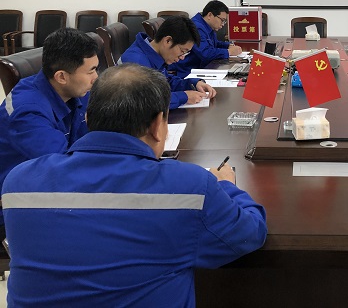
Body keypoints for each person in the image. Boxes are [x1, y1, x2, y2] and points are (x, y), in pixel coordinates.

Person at [2, 64, 268, 306]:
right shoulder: (190, 188)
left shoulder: (18, 182)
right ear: (157, 125)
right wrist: (226, 186)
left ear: (88, 118)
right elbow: (249, 234)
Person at [0, 28, 99, 234]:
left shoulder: (74, 91)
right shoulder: (27, 111)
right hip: (16, 205)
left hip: (52, 187)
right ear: (61, 76)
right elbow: (64, 168)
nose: (96, 78)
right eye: (90, 71)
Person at [119, 16, 216, 109]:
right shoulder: (135, 62)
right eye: (182, 51)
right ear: (168, 41)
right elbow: (148, 102)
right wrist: (184, 97)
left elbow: (165, 83)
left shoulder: (154, 54)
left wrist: (193, 84)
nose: (182, 57)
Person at [171, 0, 243, 78]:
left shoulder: (207, 26)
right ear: (210, 15)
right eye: (222, 20)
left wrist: (228, 45)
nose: (223, 24)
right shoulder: (197, 27)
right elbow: (205, 53)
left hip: (200, 67)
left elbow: (214, 43)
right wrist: (228, 52)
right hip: (187, 71)